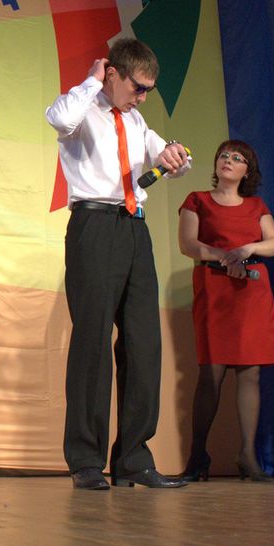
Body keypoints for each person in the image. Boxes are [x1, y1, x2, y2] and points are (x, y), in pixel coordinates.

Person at [46, 39, 191, 491]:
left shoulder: (135, 118)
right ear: (113, 74)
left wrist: (175, 156)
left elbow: (173, 160)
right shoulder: (82, 108)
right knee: (92, 341)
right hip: (94, 225)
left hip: (133, 227)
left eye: (149, 89)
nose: (143, 96)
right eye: (137, 87)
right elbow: (59, 118)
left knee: (143, 343)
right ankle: (86, 460)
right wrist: (92, 81)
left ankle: (133, 459)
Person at [177, 140, 274, 482]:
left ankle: (247, 455)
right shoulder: (197, 200)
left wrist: (247, 249)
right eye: (224, 155)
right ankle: (198, 455)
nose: (228, 160)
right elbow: (188, 244)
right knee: (211, 374)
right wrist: (226, 257)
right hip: (214, 288)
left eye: (237, 158)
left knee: (250, 373)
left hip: (252, 290)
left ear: (246, 172)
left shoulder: (256, 206)